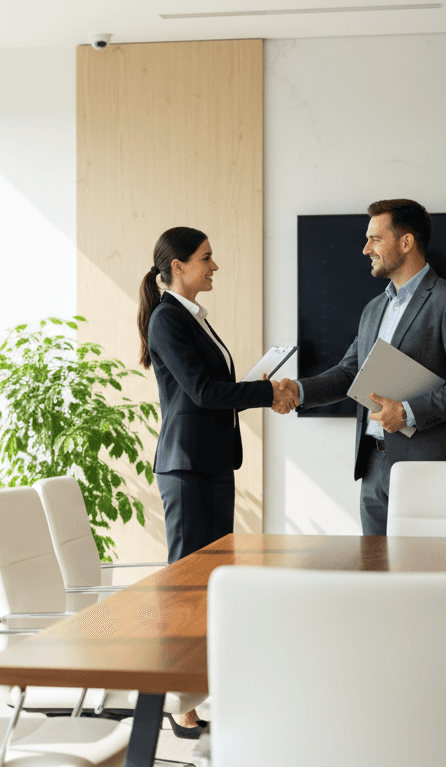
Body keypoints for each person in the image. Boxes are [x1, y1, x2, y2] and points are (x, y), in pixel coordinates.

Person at [137, 227, 298, 737]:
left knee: (210, 583)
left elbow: (212, 388)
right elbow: (205, 391)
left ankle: (201, 688)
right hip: (186, 468)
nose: (215, 266)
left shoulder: (192, 319)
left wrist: (260, 386)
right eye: (206, 258)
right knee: (185, 586)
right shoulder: (168, 319)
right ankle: (177, 701)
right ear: (178, 266)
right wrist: (266, 389)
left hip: (210, 464)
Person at [283, 199, 446, 536]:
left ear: (406, 242)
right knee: (378, 579)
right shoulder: (374, 308)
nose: (366, 249)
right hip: (373, 467)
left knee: (426, 578)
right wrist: (298, 390)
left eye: (375, 239)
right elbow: (350, 373)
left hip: (427, 469)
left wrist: (408, 412)